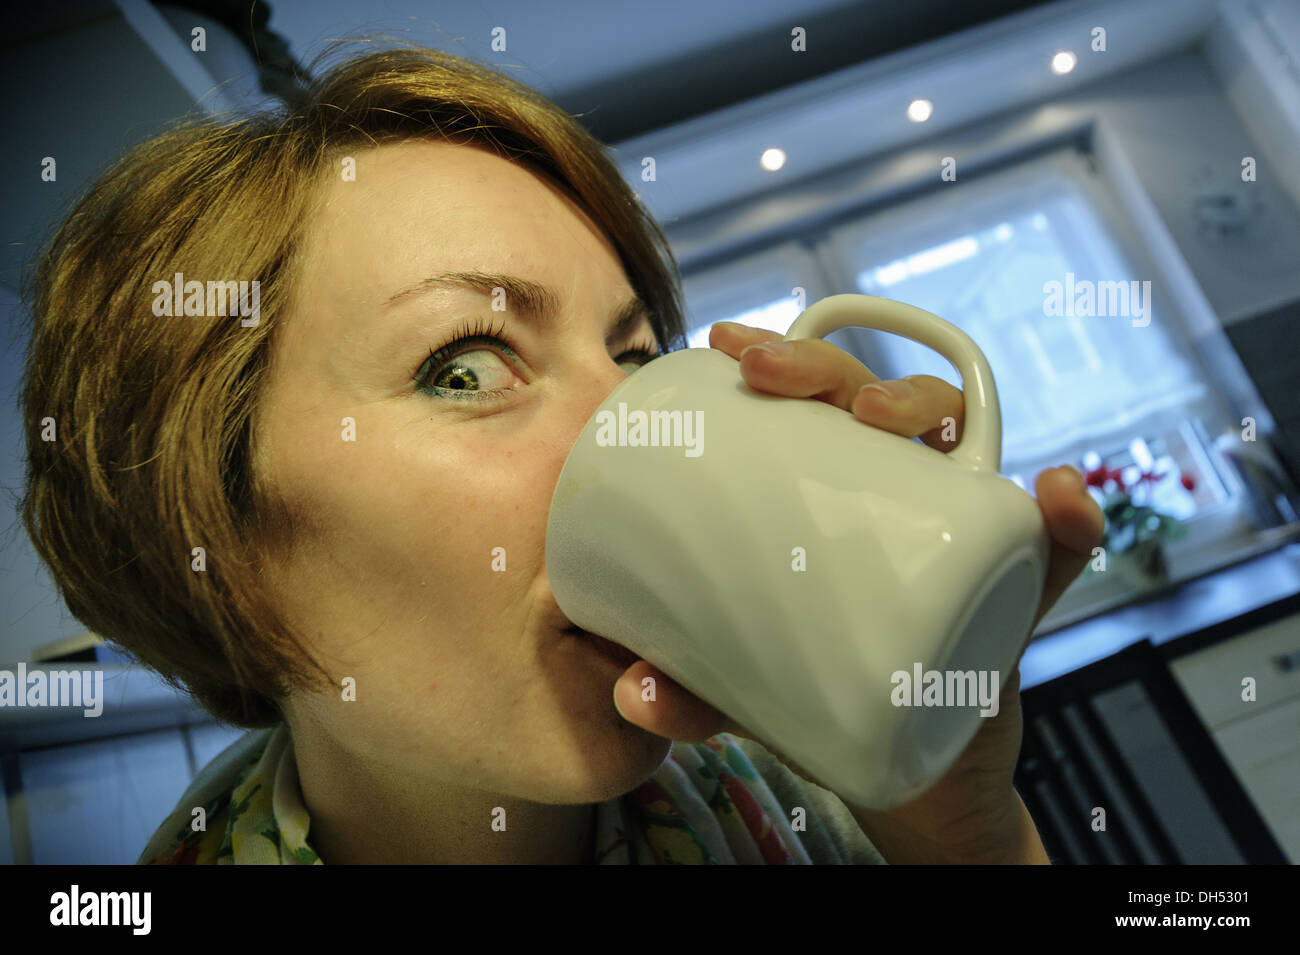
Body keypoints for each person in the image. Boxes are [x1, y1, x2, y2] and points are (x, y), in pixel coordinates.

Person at [19, 45, 1104, 865]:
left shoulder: (785, 784)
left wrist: (958, 831)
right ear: (210, 529)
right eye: (465, 366)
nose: (636, 421)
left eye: (635, 355)